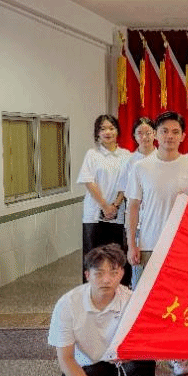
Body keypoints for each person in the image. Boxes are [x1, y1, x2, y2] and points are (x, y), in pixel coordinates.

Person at [125, 110, 188, 376]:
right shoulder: (141, 167)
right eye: (164, 131)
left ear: (183, 136)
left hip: (182, 246)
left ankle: (176, 353)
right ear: (155, 134)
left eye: (175, 131)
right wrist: (132, 244)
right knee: (145, 300)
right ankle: (142, 351)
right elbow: (132, 207)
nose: (169, 136)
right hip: (149, 244)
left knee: (178, 301)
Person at [48, 243, 156, 376]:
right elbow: (66, 359)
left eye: (113, 273)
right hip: (85, 367)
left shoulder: (132, 301)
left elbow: (147, 340)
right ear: (87, 275)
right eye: (99, 274)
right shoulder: (67, 305)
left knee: (145, 361)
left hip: (119, 363)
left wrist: (131, 353)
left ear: (121, 273)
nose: (106, 280)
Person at [76, 114, 131, 284]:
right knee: (93, 257)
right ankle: (91, 292)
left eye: (111, 128)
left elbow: (126, 185)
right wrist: (105, 206)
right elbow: (89, 181)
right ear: (97, 133)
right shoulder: (92, 154)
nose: (107, 132)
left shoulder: (126, 156)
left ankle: (118, 292)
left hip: (117, 214)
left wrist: (115, 205)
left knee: (116, 257)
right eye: (103, 129)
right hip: (94, 214)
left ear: (117, 131)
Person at [117, 117, 156, 238]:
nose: (144, 137)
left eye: (148, 133)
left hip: (158, 219)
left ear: (154, 134)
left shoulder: (164, 159)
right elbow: (123, 190)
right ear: (134, 136)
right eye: (140, 133)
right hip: (136, 221)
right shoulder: (129, 161)